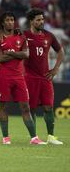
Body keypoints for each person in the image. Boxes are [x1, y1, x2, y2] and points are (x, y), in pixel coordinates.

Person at [0, 12, 45, 145]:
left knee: (25, 107)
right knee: (4, 107)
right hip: (4, 77)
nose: (10, 22)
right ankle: (5, 138)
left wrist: (11, 53)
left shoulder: (21, 37)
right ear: (3, 23)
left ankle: (34, 138)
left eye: (12, 20)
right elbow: (1, 58)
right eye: (7, 20)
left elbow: (26, 54)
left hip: (19, 77)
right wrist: (18, 54)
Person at [24, 8, 65, 145]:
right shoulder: (23, 35)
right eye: (38, 20)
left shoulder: (49, 35)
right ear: (31, 21)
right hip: (30, 78)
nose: (41, 22)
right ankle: (34, 137)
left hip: (45, 77)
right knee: (33, 108)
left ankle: (51, 136)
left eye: (42, 19)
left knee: (48, 107)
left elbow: (60, 51)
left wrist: (55, 68)